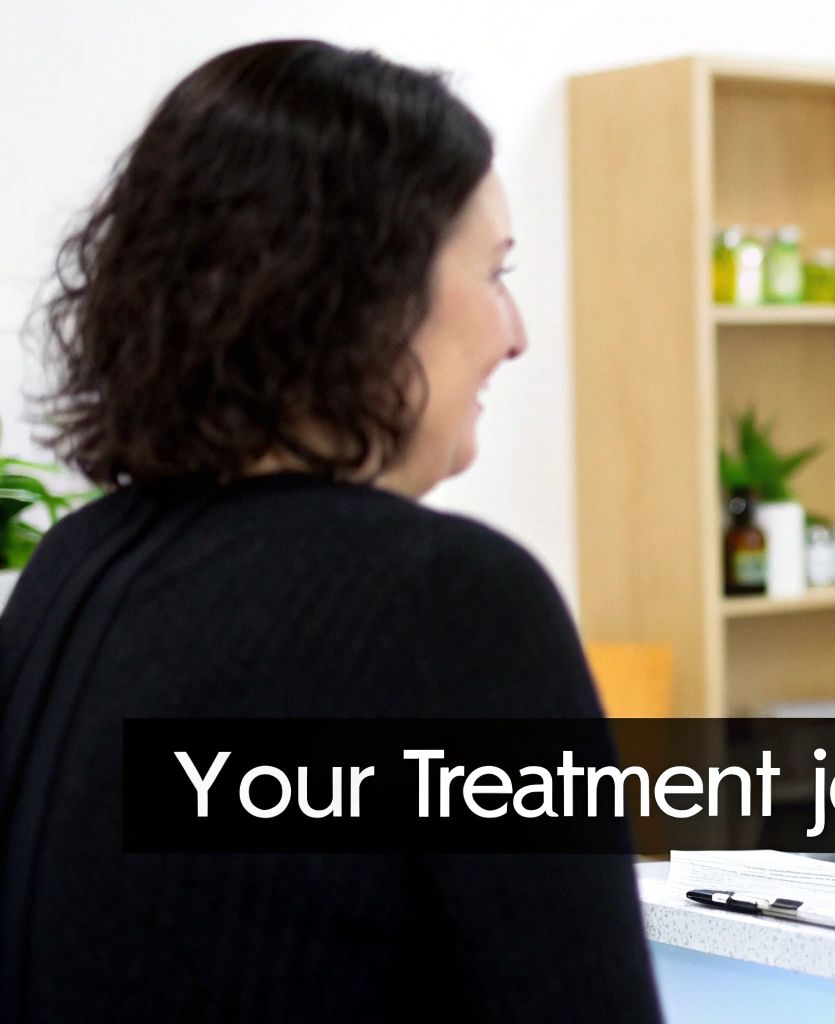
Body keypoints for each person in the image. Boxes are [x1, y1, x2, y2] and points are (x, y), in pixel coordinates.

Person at [0, 41, 662, 1021]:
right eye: (495, 273)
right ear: (364, 291)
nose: (515, 333)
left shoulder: (75, 565)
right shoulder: (451, 600)